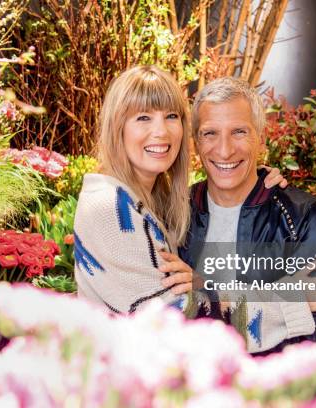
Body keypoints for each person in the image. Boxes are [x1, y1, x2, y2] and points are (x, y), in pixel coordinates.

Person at [73, 66, 286, 317]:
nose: (161, 131)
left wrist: (251, 177)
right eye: (143, 117)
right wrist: (289, 307)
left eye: (171, 116)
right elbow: (176, 321)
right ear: (116, 127)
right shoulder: (111, 209)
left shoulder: (153, 202)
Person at [178, 77, 316, 354]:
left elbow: (312, 344)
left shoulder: (302, 217)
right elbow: (163, 317)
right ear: (195, 142)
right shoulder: (175, 213)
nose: (225, 150)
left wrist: (201, 292)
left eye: (239, 132)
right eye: (210, 133)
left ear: (259, 136)